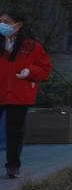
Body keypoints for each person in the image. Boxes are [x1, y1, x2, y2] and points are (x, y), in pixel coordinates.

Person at [0, 11, 52, 179]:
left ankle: (13, 167)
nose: (2, 25)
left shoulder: (32, 46)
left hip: (20, 94)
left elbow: (45, 69)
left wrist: (30, 71)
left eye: (6, 21)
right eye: (0, 21)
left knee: (14, 132)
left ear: (18, 25)